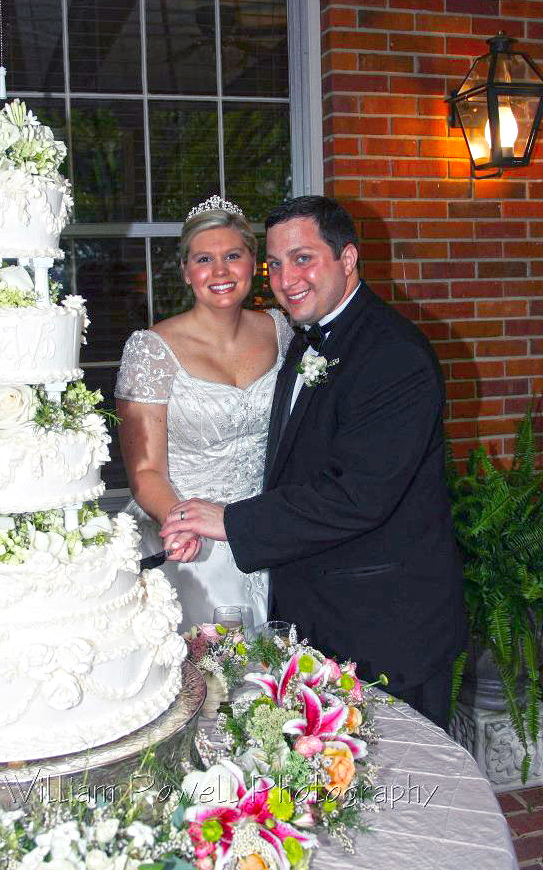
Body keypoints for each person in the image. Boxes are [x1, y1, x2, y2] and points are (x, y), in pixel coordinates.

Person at [161, 195, 465, 729]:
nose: (286, 278)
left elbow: (358, 496)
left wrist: (230, 519)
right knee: (330, 786)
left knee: (403, 795)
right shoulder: (307, 339)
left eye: (303, 258)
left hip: (386, 625)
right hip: (319, 609)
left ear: (347, 259)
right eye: (275, 264)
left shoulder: (393, 355)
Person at [115, 195, 292, 632]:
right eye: (204, 259)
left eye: (232, 256)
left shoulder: (284, 330)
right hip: (188, 542)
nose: (220, 271)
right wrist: (181, 523)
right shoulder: (150, 350)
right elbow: (146, 471)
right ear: (186, 271)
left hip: (269, 532)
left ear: (254, 263)